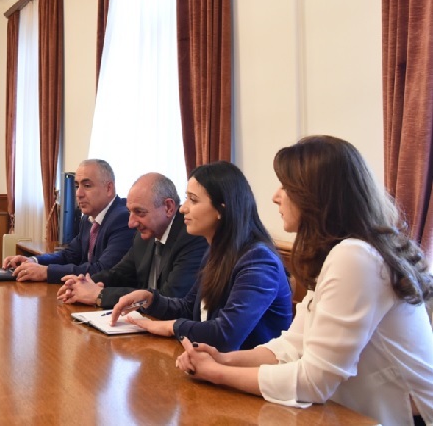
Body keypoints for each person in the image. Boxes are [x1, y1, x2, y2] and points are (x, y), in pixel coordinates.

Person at [175, 136, 433, 425]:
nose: (275, 196)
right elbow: (292, 346)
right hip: (356, 413)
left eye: (285, 187)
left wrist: (216, 373)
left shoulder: (356, 256)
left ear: (316, 196)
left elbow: (314, 381)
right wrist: (223, 359)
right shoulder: (338, 253)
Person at [112, 161, 292, 352]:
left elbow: (225, 334)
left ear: (221, 210)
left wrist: (170, 327)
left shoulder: (258, 261)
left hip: (249, 376)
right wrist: (150, 300)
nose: (183, 209)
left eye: (193, 200)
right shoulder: (216, 250)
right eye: (186, 198)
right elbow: (190, 309)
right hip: (215, 367)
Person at [56, 172, 208, 308]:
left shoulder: (192, 236)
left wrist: (99, 295)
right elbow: (119, 274)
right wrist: (83, 284)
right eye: (130, 212)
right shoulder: (145, 235)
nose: (131, 223)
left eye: (139, 212)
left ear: (168, 207)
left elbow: (170, 297)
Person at [2, 159, 135, 283]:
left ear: (109, 188)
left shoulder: (122, 219)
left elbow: (102, 270)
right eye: (77, 186)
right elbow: (70, 255)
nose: (78, 193)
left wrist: (47, 272)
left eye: (87, 186)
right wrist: (33, 261)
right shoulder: (88, 219)